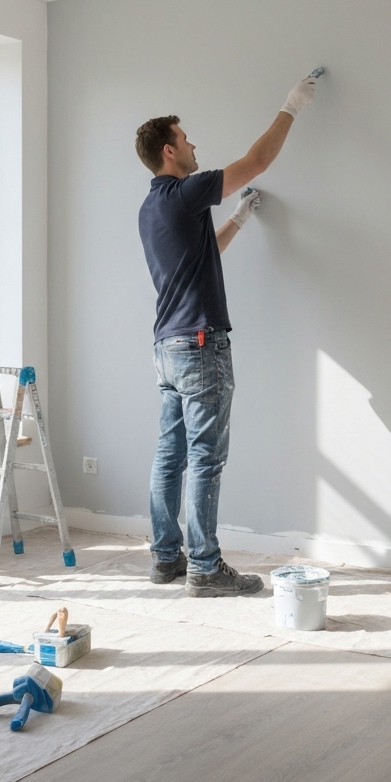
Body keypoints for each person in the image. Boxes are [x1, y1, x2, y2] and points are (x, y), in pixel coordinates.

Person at [135, 75, 319, 596]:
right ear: (170, 151)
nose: (195, 146)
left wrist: (237, 219)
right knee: (206, 458)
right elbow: (256, 161)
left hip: (167, 348)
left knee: (170, 456)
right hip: (199, 345)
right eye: (187, 139)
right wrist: (291, 106)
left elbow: (199, 260)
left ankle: (166, 558)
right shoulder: (187, 190)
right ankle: (206, 568)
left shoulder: (153, 207)